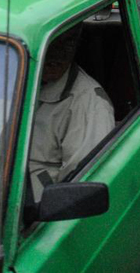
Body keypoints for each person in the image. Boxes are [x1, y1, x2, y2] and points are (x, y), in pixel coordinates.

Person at [29, 26, 115, 199]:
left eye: (68, 41)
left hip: (34, 209)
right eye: (53, 41)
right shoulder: (12, 71)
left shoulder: (89, 103)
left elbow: (79, 186)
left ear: (78, 44)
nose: (58, 52)